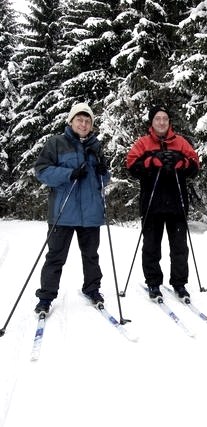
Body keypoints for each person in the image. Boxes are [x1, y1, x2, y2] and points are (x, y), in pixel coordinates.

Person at [34, 102, 110, 314]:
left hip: (91, 213)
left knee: (91, 255)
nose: (83, 124)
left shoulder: (96, 146)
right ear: (71, 121)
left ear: (91, 125)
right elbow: (41, 171)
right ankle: (46, 296)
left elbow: (104, 180)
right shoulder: (56, 143)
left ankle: (93, 288)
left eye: (87, 121)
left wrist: (104, 171)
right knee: (55, 256)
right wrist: (69, 174)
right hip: (63, 212)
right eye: (80, 119)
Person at [126, 105, 200, 301]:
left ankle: (180, 283)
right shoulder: (143, 143)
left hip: (176, 202)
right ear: (152, 122)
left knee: (179, 247)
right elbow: (131, 166)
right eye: (158, 118)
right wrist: (151, 162)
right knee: (151, 245)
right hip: (152, 202)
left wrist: (182, 163)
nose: (161, 122)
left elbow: (195, 165)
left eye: (165, 119)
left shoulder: (180, 142)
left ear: (169, 122)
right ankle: (153, 282)